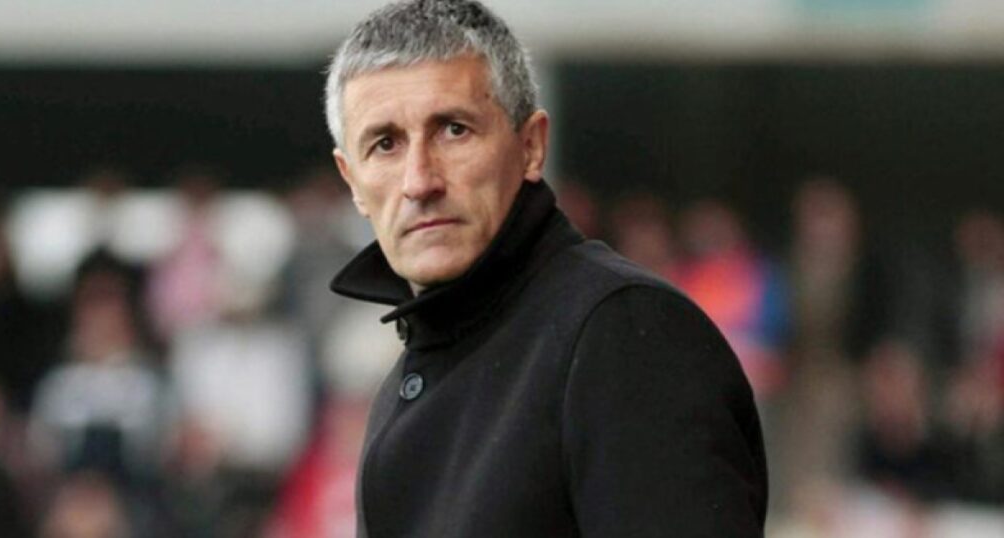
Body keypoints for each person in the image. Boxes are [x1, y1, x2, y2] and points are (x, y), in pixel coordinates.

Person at [324, 1, 767, 536]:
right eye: (385, 144)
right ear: (352, 181)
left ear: (531, 146)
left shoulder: (622, 331)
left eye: (454, 130)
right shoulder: (403, 381)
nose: (419, 181)